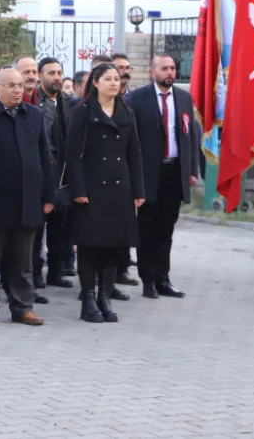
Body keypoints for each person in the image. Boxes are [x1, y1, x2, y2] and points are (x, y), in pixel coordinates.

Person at [0, 68, 54, 327]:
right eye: (11, 85)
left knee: (23, 259)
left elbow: (45, 158)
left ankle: (22, 307)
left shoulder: (34, 115)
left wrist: (48, 195)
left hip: (28, 199)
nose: (18, 90)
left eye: (20, 85)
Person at [65, 63, 145, 323]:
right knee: (89, 245)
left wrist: (138, 189)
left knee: (113, 246)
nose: (114, 83)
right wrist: (78, 189)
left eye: (116, 79)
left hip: (120, 189)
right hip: (91, 188)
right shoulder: (83, 113)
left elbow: (134, 153)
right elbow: (72, 156)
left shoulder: (126, 112)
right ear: (96, 83)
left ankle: (105, 297)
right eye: (108, 79)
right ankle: (88, 299)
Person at [127, 54, 200, 300]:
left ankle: (163, 279)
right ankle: (147, 280)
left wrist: (192, 170)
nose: (170, 72)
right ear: (152, 72)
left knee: (166, 229)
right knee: (147, 229)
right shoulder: (137, 98)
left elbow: (190, 136)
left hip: (174, 171)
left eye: (172, 68)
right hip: (148, 173)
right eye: (164, 68)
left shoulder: (183, 97)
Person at [37, 56, 74, 289]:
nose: (56, 77)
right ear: (40, 76)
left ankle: (56, 271)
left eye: (59, 73)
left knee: (60, 228)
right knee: (37, 228)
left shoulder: (69, 103)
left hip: (64, 172)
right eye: (51, 73)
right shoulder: (35, 103)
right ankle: (35, 274)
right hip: (43, 173)